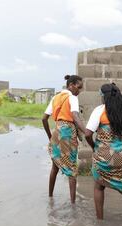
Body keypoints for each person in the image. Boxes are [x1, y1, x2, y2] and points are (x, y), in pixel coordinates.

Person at [85, 83, 122, 226]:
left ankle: (100, 222)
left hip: (104, 157)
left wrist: (94, 146)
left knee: (99, 186)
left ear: (103, 97)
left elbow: (87, 134)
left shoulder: (100, 110)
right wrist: (121, 148)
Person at [42, 75, 86, 204]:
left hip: (57, 132)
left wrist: (50, 137)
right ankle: (73, 204)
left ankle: (50, 197)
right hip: (68, 134)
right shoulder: (72, 97)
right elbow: (75, 116)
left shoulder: (56, 97)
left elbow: (44, 119)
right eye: (79, 87)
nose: (80, 90)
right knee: (72, 169)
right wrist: (85, 131)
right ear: (71, 85)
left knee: (54, 167)